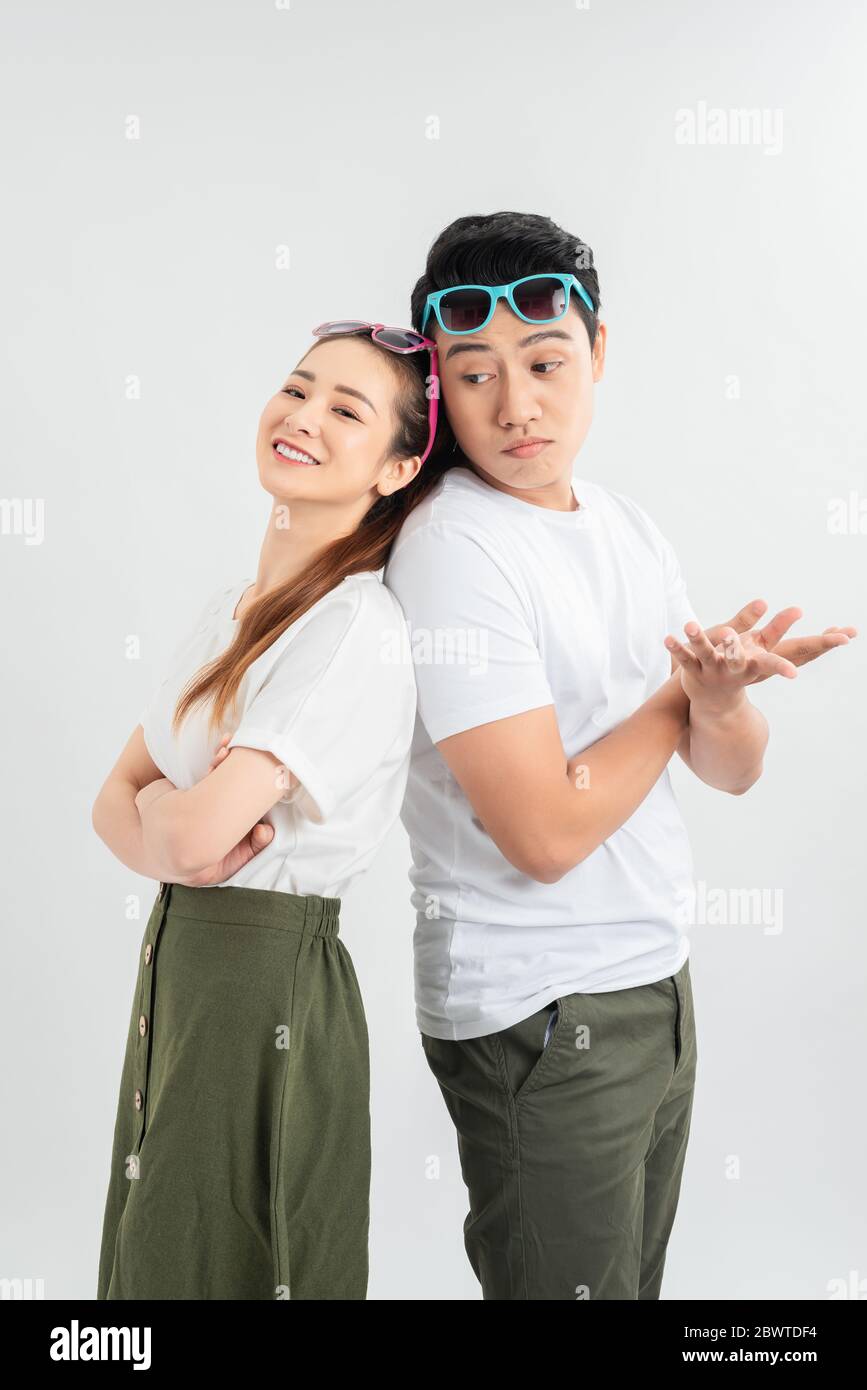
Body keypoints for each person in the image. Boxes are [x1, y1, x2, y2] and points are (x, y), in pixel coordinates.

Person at [382, 211, 856, 1300]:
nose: (517, 405)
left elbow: (729, 769)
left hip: (651, 986)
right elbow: (545, 833)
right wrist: (675, 702)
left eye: (547, 362)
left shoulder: (624, 526)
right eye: (475, 374)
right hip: (541, 1010)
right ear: (439, 389)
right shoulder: (454, 547)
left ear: (600, 353)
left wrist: (721, 702)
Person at [92, 319, 441, 1300]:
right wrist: (174, 826)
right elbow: (111, 803)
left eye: (346, 409)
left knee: (232, 1252)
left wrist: (168, 823)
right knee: (157, 1249)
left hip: (264, 980)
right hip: (182, 959)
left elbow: (187, 825)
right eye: (296, 388)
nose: (302, 416)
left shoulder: (353, 630)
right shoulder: (229, 611)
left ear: (398, 466)